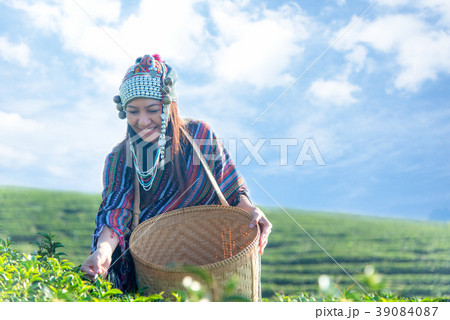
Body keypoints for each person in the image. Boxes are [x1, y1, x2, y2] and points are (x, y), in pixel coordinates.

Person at [80, 54, 272, 293]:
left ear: (169, 105)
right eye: (132, 111)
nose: (142, 120)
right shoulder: (120, 158)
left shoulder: (199, 136)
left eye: (152, 109)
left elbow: (230, 190)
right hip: (156, 273)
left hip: (214, 259)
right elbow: (116, 212)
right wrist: (103, 252)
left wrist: (251, 211)